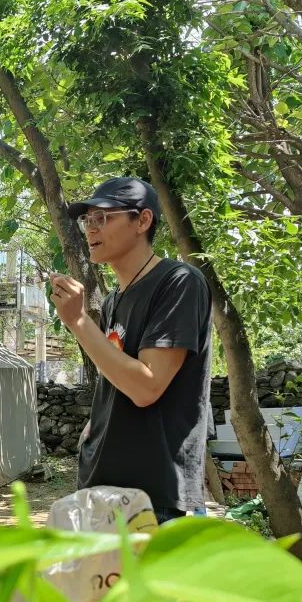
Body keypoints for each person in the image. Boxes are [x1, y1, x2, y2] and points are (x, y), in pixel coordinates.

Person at [48, 177, 212, 524]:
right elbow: (117, 375)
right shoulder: (113, 302)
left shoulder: (179, 282)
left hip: (155, 497)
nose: (91, 229)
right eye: (87, 220)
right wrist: (96, 424)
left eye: (103, 218)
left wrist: (78, 321)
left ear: (142, 220)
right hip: (102, 486)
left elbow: (146, 387)